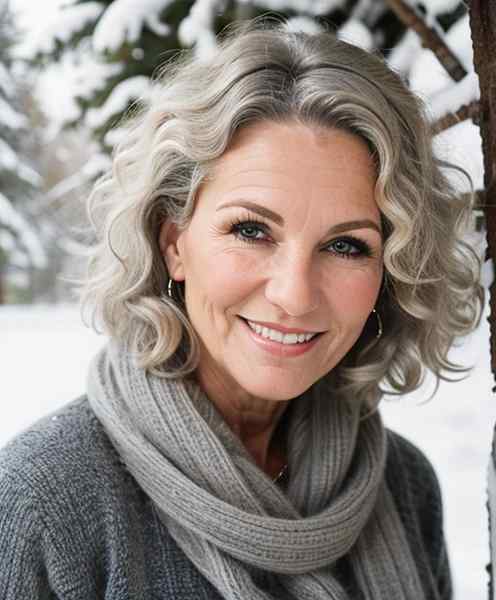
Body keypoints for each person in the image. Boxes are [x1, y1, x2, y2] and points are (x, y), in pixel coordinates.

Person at [0, 19, 483, 600]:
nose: (294, 294)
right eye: (251, 230)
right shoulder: (42, 501)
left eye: (346, 245)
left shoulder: (403, 486)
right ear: (173, 241)